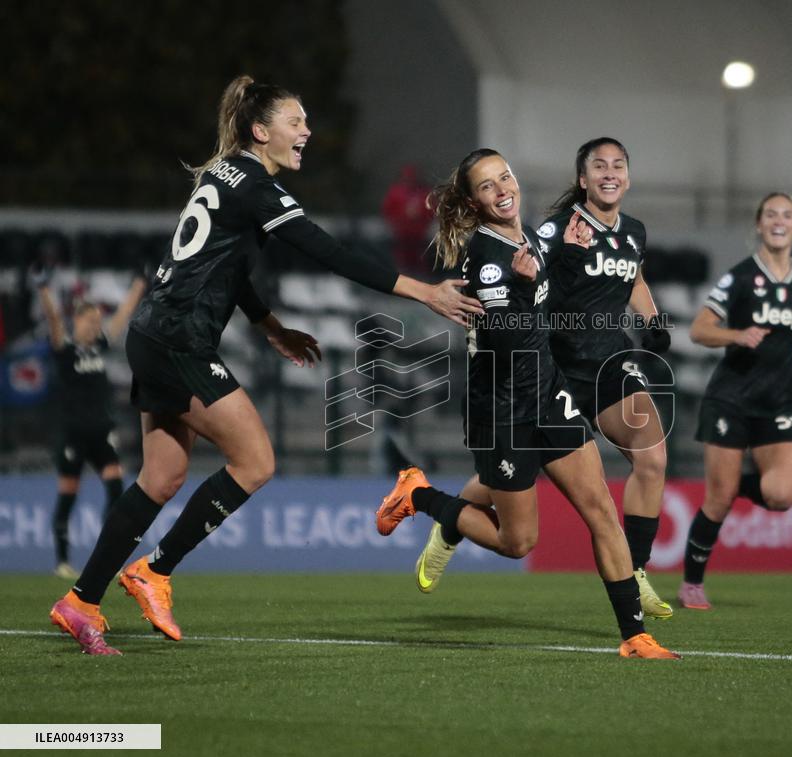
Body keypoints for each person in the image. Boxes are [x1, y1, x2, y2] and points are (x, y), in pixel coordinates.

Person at [48, 74, 482, 655]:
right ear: (261, 130)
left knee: (160, 478)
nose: (307, 131)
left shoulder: (224, 172)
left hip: (155, 333)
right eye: (295, 122)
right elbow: (325, 250)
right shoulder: (256, 187)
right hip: (178, 341)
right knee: (255, 461)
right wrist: (424, 291)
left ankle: (79, 601)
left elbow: (225, 265)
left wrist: (268, 325)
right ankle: (153, 571)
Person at [375, 148, 680, 659]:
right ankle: (419, 494)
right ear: (474, 202)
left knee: (601, 509)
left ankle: (635, 637)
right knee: (518, 543)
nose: (502, 189)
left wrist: (563, 251)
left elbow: (561, 270)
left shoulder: (532, 239)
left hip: (549, 394)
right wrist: (524, 285)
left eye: (506, 177)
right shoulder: (489, 257)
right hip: (502, 407)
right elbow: (502, 336)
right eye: (488, 186)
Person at [679, 192, 792, 609]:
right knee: (717, 501)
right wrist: (735, 335)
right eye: (770, 214)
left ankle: (732, 489)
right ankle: (692, 583)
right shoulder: (740, 277)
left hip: (779, 403)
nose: (779, 221)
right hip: (731, 400)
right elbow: (699, 330)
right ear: (759, 226)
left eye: (787, 215)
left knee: (781, 496)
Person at [36, 271, 146, 578]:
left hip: (101, 432)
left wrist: (138, 285)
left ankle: (105, 552)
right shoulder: (65, 350)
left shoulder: (99, 347)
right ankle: (62, 561)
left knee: (115, 489)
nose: (96, 325)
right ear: (78, 321)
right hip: (73, 433)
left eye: (97, 321)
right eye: (91, 321)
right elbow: (54, 319)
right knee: (68, 495)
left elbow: (122, 317)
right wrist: (44, 288)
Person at [381, 164, 435, 275]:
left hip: (419, 234)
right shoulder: (395, 192)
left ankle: (420, 278)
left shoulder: (424, 193)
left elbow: (432, 211)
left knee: (420, 257)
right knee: (402, 258)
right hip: (401, 233)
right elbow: (387, 210)